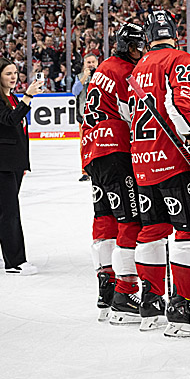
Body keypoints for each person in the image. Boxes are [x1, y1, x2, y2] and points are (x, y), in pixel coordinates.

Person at [128, 11, 190, 335]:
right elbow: (181, 103)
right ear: (174, 33)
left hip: (142, 161)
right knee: (189, 232)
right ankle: (180, 309)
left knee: (152, 230)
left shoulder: (138, 67)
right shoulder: (181, 59)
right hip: (173, 158)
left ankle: (150, 305)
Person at [81, 23, 146, 323]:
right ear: (129, 47)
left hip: (93, 150)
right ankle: (125, 292)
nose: (141, 52)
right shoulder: (126, 73)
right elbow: (134, 116)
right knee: (129, 218)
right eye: (137, 47)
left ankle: (105, 289)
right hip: (115, 150)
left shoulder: (104, 67)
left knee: (104, 218)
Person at [0, 58, 46, 274]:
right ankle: (14, 262)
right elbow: (10, 120)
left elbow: (19, 130)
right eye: (8, 73)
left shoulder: (13, 97)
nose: (13, 77)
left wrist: (22, 163)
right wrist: (28, 97)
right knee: (9, 211)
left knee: (2, 208)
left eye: (15, 73)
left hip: (13, 163)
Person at [73, 53, 99, 181]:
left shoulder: (101, 76)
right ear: (84, 64)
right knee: (84, 145)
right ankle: (85, 170)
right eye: (88, 62)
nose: (91, 64)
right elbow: (75, 91)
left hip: (99, 117)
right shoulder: (79, 77)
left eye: (93, 62)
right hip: (84, 117)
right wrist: (84, 77)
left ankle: (99, 168)